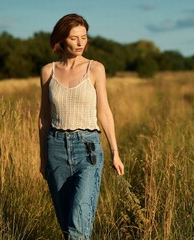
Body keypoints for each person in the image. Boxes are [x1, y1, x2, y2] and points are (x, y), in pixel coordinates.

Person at [38, 13, 124, 239]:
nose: (80, 43)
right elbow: (44, 118)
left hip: (88, 150)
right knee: (67, 226)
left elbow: (104, 111)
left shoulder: (95, 69)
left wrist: (115, 152)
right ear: (62, 39)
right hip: (55, 149)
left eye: (84, 37)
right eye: (74, 38)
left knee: (78, 224)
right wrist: (43, 158)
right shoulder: (48, 71)